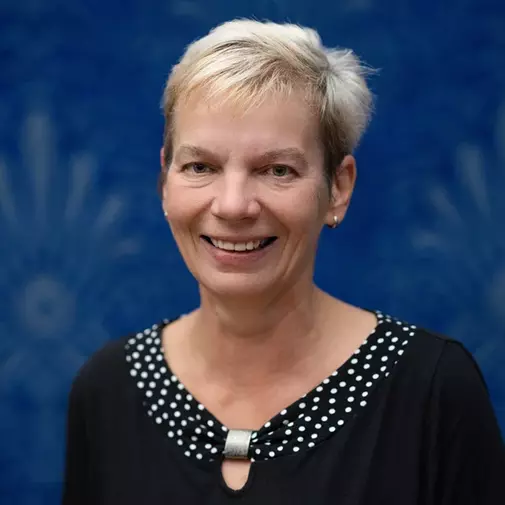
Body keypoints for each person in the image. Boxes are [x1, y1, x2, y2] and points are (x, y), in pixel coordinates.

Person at [62, 19, 505, 504]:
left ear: (338, 187)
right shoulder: (107, 389)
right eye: (200, 166)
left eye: (277, 170)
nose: (233, 206)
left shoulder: (433, 389)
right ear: (165, 180)